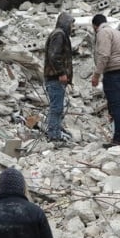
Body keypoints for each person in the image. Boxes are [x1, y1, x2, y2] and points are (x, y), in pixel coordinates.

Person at [91, 14, 120, 146]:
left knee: (116, 106)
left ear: (95, 26)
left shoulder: (102, 33)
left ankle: (118, 139)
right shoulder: (119, 34)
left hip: (113, 73)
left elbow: (104, 55)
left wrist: (97, 75)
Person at [43, 12, 75, 143]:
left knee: (58, 107)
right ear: (66, 23)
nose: (73, 27)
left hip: (55, 77)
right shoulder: (59, 35)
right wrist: (61, 73)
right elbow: (54, 56)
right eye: (71, 24)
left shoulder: (60, 34)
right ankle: (54, 135)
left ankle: (56, 131)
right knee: (56, 107)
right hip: (55, 78)